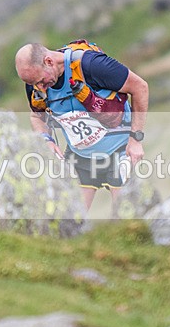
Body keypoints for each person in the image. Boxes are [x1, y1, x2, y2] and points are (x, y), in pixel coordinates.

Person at [15, 41, 149, 210]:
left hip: (119, 150)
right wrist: (46, 140)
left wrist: (136, 139)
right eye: (33, 83)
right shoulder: (35, 83)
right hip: (80, 157)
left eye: (41, 81)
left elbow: (140, 87)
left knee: (124, 222)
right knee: (69, 221)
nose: (39, 87)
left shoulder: (92, 65)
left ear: (49, 61)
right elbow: (36, 115)